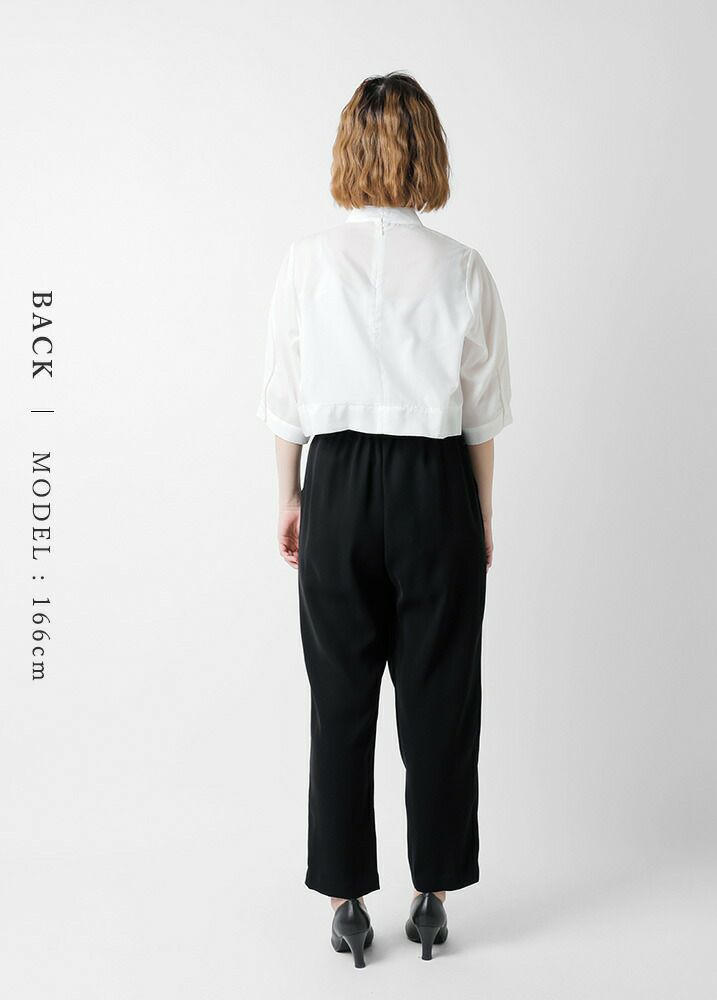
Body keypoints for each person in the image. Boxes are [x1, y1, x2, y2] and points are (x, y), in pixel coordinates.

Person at [256, 72, 512, 967]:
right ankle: (433, 895)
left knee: (340, 698)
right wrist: (481, 513)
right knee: (441, 694)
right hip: (434, 481)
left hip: (337, 481)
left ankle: (345, 902)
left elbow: (286, 396)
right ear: (429, 151)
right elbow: (482, 409)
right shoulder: (463, 267)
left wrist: (291, 495)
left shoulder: (307, 261)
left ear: (349, 150)